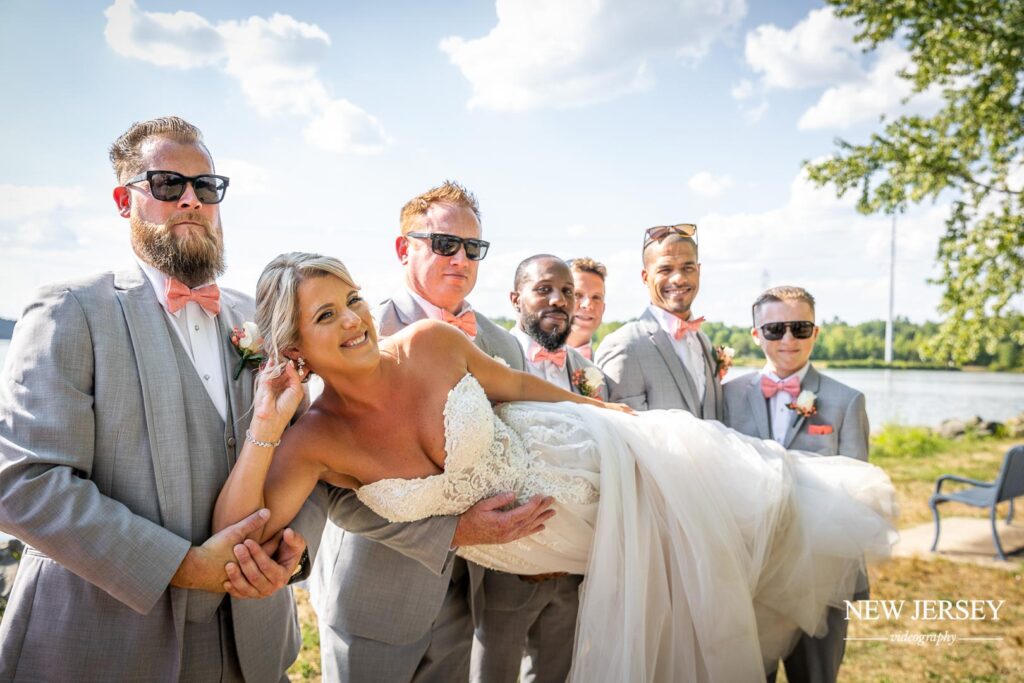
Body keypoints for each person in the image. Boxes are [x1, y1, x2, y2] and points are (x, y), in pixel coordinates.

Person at [214, 252, 898, 683]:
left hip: (585, 457)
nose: (354, 320)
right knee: (666, 612)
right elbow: (236, 530)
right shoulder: (311, 440)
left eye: (354, 299)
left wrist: (600, 412)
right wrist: (265, 430)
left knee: (736, 534)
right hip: (534, 539)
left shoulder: (425, 341)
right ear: (293, 341)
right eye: (326, 315)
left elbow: (509, 384)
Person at [0, 116, 319, 681]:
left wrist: (291, 551)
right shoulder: (70, 311)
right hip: (107, 646)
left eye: (206, 186)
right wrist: (181, 566)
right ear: (126, 201)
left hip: (253, 646)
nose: (191, 200)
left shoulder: (261, 320)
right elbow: (24, 482)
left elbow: (314, 450)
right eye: (168, 184)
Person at [309, 181, 553, 682]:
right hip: (376, 595)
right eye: (444, 244)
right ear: (404, 248)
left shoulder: (502, 344)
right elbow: (332, 488)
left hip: (468, 595)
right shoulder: (354, 330)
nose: (460, 258)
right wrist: (453, 530)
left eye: (473, 248)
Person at [470, 255, 608, 683]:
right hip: (504, 565)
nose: (559, 300)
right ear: (516, 299)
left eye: (568, 292)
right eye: (544, 289)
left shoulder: (590, 375)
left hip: (573, 573)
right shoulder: (488, 359)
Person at [724, 285, 870, 683]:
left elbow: (859, 489)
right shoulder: (727, 397)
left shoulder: (847, 401)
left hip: (822, 576)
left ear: (815, 332)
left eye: (800, 328)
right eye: (775, 330)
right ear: (756, 335)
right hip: (752, 574)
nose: (788, 339)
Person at [596, 224, 724, 417]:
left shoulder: (704, 342)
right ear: (645, 277)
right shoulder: (624, 345)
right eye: (665, 269)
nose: (679, 279)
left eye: (688, 268)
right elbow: (626, 435)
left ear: (698, 271)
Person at [565, 257, 607, 360]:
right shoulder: (524, 358)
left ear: (603, 308)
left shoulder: (607, 367)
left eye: (596, 297)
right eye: (577, 295)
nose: (588, 304)